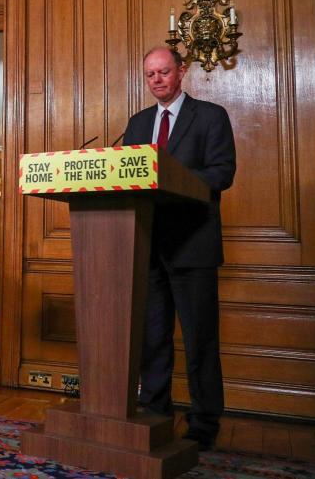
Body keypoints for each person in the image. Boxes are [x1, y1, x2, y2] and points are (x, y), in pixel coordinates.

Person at [123, 47, 236, 451]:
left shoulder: (210, 116)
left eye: (164, 72)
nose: (156, 80)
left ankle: (205, 421)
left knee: (199, 338)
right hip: (148, 246)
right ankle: (155, 411)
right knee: (153, 338)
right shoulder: (137, 124)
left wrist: (176, 180)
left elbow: (222, 173)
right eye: (150, 74)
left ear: (182, 71)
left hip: (194, 246)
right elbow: (127, 174)